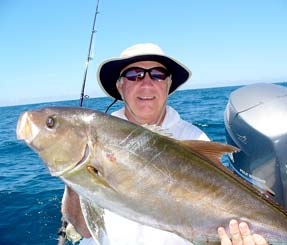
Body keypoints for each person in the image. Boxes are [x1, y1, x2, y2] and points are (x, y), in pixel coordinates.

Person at [62, 43, 268, 245]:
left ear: (168, 86)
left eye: (158, 74)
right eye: (134, 75)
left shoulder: (193, 138)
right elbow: (84, 230)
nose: (146, 83)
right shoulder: (93, 139)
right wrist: (77, 176)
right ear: (120, 86)